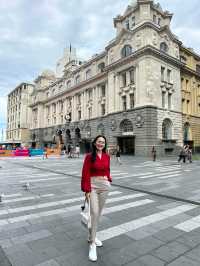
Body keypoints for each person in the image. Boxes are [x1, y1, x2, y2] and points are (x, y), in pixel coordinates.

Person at [81, 135, 112, 262]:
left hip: (104, 187)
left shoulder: (107, 156)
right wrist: (87, 190)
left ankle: (91, 236)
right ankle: (92, 244)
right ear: (94, 143)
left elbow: (108, 169)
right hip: (92, 187)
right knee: (93, 212)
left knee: (97, 215)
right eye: (99, 142)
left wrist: (108, 179)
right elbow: (85, 173)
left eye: (103, 142)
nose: (101, 144)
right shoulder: (89, 156)